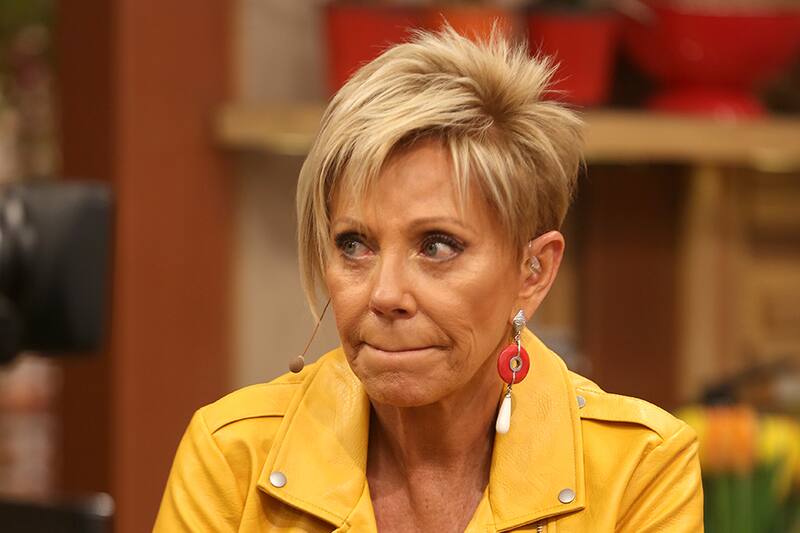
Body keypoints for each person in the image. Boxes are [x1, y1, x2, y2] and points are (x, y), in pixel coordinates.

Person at [154, 27, 703, 532]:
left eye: (437, 246)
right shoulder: (233, 455)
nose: (385, 294)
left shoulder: (639, 470)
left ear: (533, 271)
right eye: (354, 245)